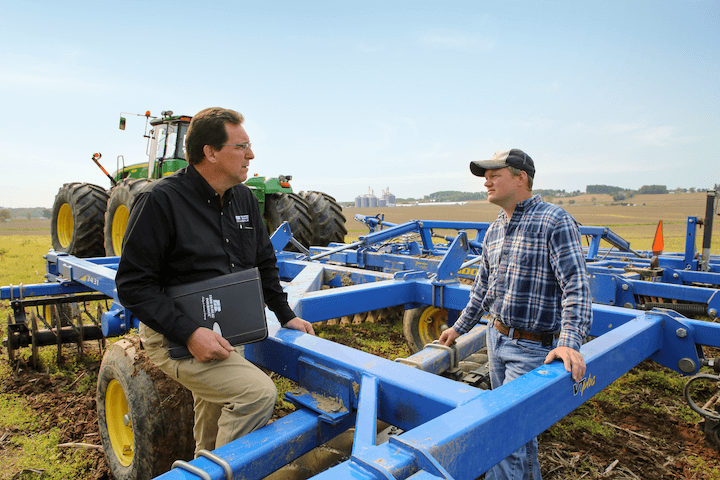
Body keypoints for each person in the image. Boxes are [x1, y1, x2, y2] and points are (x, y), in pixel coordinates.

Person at [115, 107, 314, 455]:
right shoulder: (159, 201)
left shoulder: (245, 199)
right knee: (255, 394)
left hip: (225, 327)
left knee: (216, 406)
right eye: (242, 146)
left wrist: (286, 315)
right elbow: (133, 285)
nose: (251, 154)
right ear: (210, 152)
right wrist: (190, 334)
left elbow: (264, 264)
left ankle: (203, 463)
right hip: (174, 335)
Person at [438, 148, 592, 480]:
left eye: (495, 175)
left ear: (521, 177)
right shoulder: (494, 229)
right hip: (496, 339)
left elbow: (576, 287)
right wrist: (459, 328)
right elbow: (483, 287)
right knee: (518, 436)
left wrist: (568, 343)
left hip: (532, 347)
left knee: (502, 437)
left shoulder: (554, 220)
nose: (486, 183)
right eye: (485, 177)